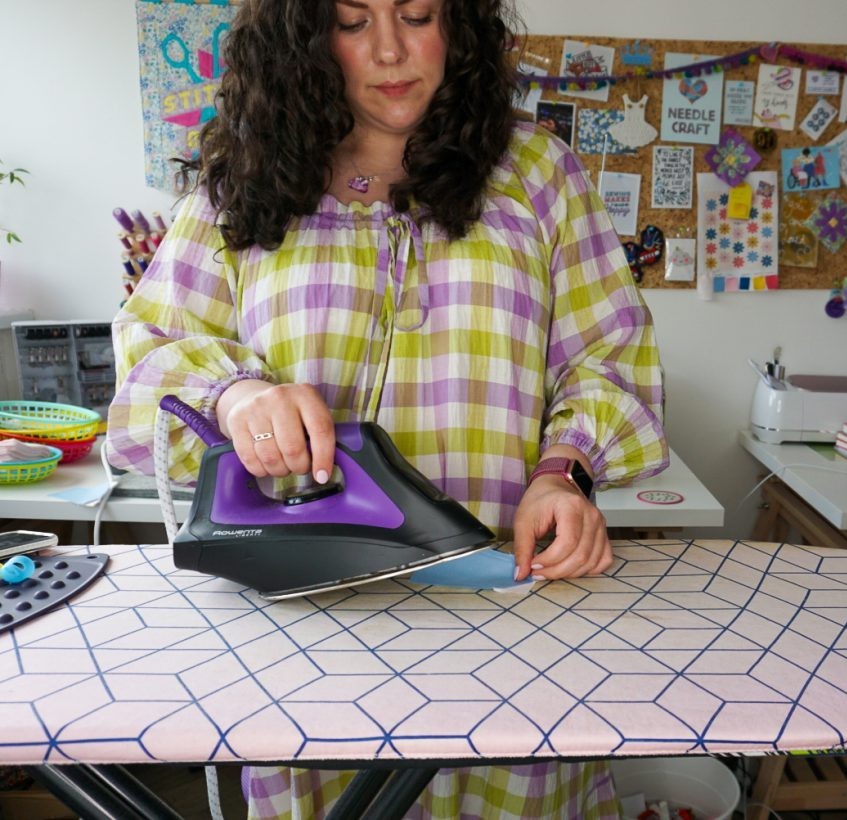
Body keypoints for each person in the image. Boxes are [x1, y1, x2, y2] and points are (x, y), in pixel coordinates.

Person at [106, 0, 668, 817]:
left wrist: (564, 472)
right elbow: (151, 349)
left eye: (417, 13)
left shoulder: (539, 174)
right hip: (305, 634)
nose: (392, 49)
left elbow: (608, 354)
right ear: (306, 36)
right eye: (353, 19)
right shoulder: (245, 184)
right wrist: (237, 397)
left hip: (510, 616)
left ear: (460, 26)